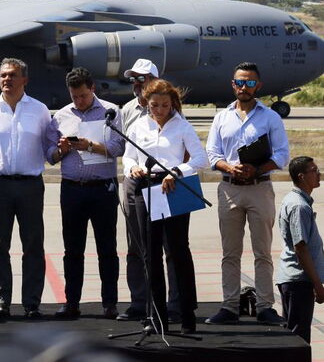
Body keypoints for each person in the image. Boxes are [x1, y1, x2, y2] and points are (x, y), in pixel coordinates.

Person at [0, 57, 58, 320]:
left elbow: (49, 148)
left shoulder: (40, 110)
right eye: (3, 75)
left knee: (33, 245)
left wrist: (61, 150)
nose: (6, 79)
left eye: (12, 75)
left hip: (31, 185)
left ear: (24, 80)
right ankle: (1, 302)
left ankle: (31, 303)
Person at [205, 62, 288, 326]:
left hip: (259, 189)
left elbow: (282, 155)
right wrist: (229, 166)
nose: (244, 87)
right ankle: (230, 306)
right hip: (229, 189)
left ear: (258, 86)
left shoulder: (270, 117)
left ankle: (265, 306)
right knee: (230, 253)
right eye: (240, 82)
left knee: (262, 251)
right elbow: (212, 154)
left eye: (250, 83)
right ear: (233, 84)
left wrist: (257, 169)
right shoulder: (222, 117)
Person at [123, 79, 207, 334]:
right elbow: (128, 156)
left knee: (178, 251)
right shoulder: (138, 126)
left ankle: (186, 314)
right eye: (154, 105)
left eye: (164, 105)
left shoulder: (181, 126)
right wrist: (132, 168)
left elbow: (200, 159)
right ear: (147, 103)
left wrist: (177, 171)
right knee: (150, 254)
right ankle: (157, 316)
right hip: (145, 188)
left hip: (173, 187)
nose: (159, 110)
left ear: (173, 104)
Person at [47, 67, 123, 320]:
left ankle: (110, 303)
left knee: (107, 248)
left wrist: (89, 145)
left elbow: (117, 147)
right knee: (73, 249)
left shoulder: (110, 111)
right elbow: (50, 157)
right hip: (72, 189)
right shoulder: (61, 116)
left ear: (92, 88)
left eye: (83, 95)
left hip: (103, 188)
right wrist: (61, 149)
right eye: (74, 96)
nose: (78, 101)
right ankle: (72, 302)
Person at [117, 58, 180, 322]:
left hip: (165, 184)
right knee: (136, 245)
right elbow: (123, 149)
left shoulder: (172, 110)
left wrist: (175, 172)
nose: (136, 84)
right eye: (133, 79)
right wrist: (131, 168)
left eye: (141, 79)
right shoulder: (128, 110)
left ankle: (174, 305)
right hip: (135, 183)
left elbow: (181, 147)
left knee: (170, 246)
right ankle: (140, 302)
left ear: (154, 81)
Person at [275, 156, 324, 343]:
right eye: (314, 171)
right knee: (298, 340)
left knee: (292, 336)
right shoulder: (299, 206)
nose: (318, 174)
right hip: (299, 282)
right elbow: (300, 248)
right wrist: (318, 285)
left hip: (295, 281)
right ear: (302, 176)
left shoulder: (294, 199)